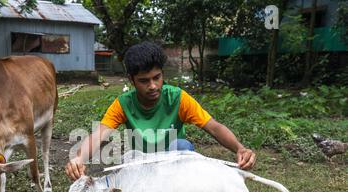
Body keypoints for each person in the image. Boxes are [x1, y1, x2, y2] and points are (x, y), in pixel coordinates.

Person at [65, 41, 256, 182]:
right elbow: (99, 135)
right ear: (132, 80)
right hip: (140, 163)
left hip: (173, 164)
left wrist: (240, 148)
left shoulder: (178, 98)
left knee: (183, 146)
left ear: (163, 74)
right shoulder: (123, 103)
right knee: (123, 161)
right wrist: (78, 159)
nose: (153, 86)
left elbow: (213, 127)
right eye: (144, 80)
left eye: (157, 77)